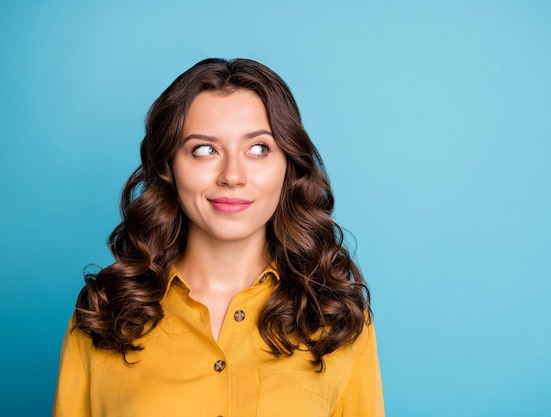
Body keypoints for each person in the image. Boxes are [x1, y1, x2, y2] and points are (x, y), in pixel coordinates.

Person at [53, 58, 384, 417]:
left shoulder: (339, 319)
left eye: (258, 148)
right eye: (205, 149)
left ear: (288, 165)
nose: (232, 175)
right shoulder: (104, 312)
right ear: (170, 167)